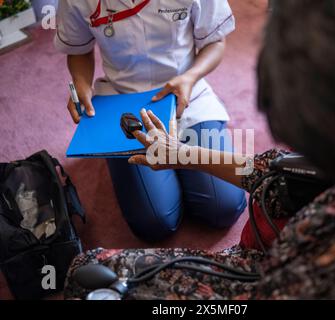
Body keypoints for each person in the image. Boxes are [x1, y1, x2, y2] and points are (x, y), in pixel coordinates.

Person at [65, 0, 335, 300]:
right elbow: (272, 172)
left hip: (253, 282)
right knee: (152, 221)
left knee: (88, 274)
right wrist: (180, 153)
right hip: (262, 262)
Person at [54, 0, 247, 241]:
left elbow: (215, 41)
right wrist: (82, 86)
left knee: (224, 208)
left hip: (186, 95)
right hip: (123, 103)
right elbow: (78, 50)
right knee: (154, 224)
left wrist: (190, 77)